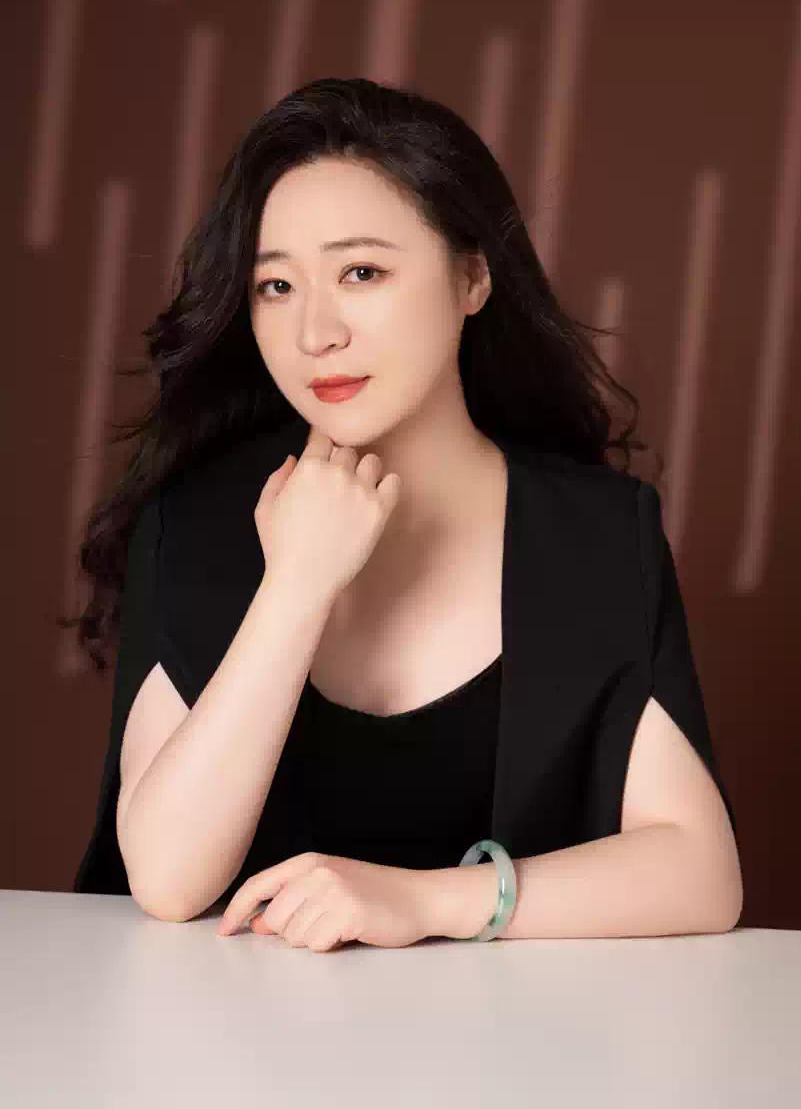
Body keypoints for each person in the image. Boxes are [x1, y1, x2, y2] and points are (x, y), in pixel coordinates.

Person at [65, 76, 741, 950]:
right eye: (275, 286)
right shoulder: (193, 526)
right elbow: (166, 877)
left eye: (362, 272)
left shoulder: (597, 536)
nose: (315, 333)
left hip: (510, 1035)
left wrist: (424, 903)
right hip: (220, 1032)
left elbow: (699, 871)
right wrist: (297, 586)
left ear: (472, 277)